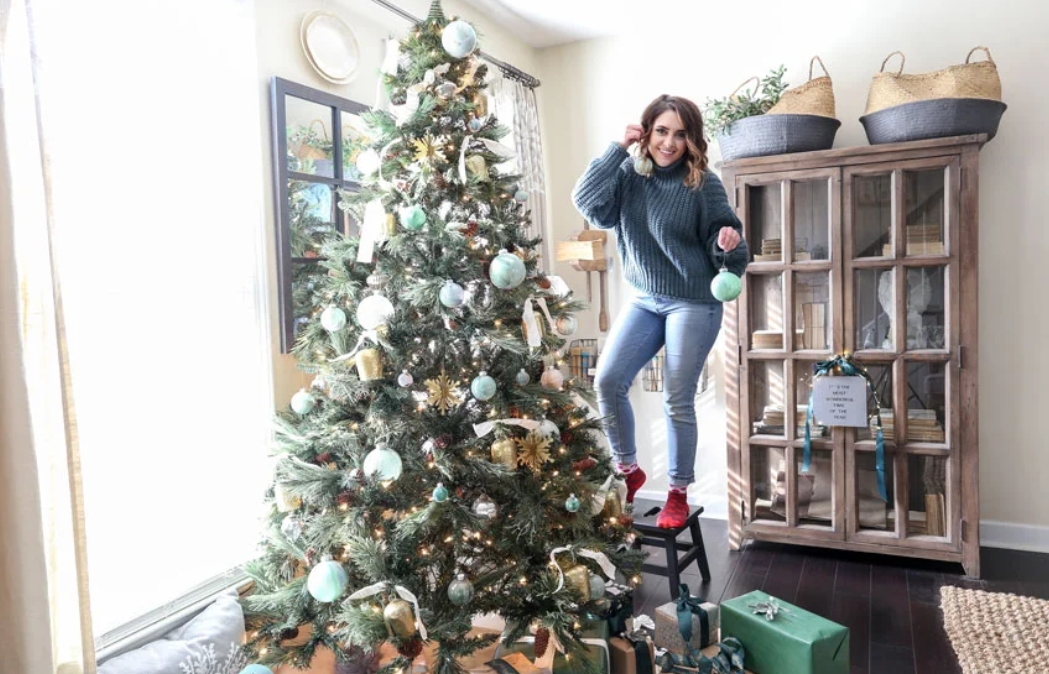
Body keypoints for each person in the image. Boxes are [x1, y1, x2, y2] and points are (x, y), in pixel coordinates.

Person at [571, 94, 749, 528]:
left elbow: (728, 242)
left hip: (693, 300)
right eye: (662, 131)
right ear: (647, 132)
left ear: (692, 141)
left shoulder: (701, 182)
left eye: (680, 134)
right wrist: (616, 148)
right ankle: (629, 472)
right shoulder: (629, 173)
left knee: (676, 398)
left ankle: (677, 493)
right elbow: (587, 202)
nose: (669, 143)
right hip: (645, 298)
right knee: (609, 380)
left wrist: (728, 242)